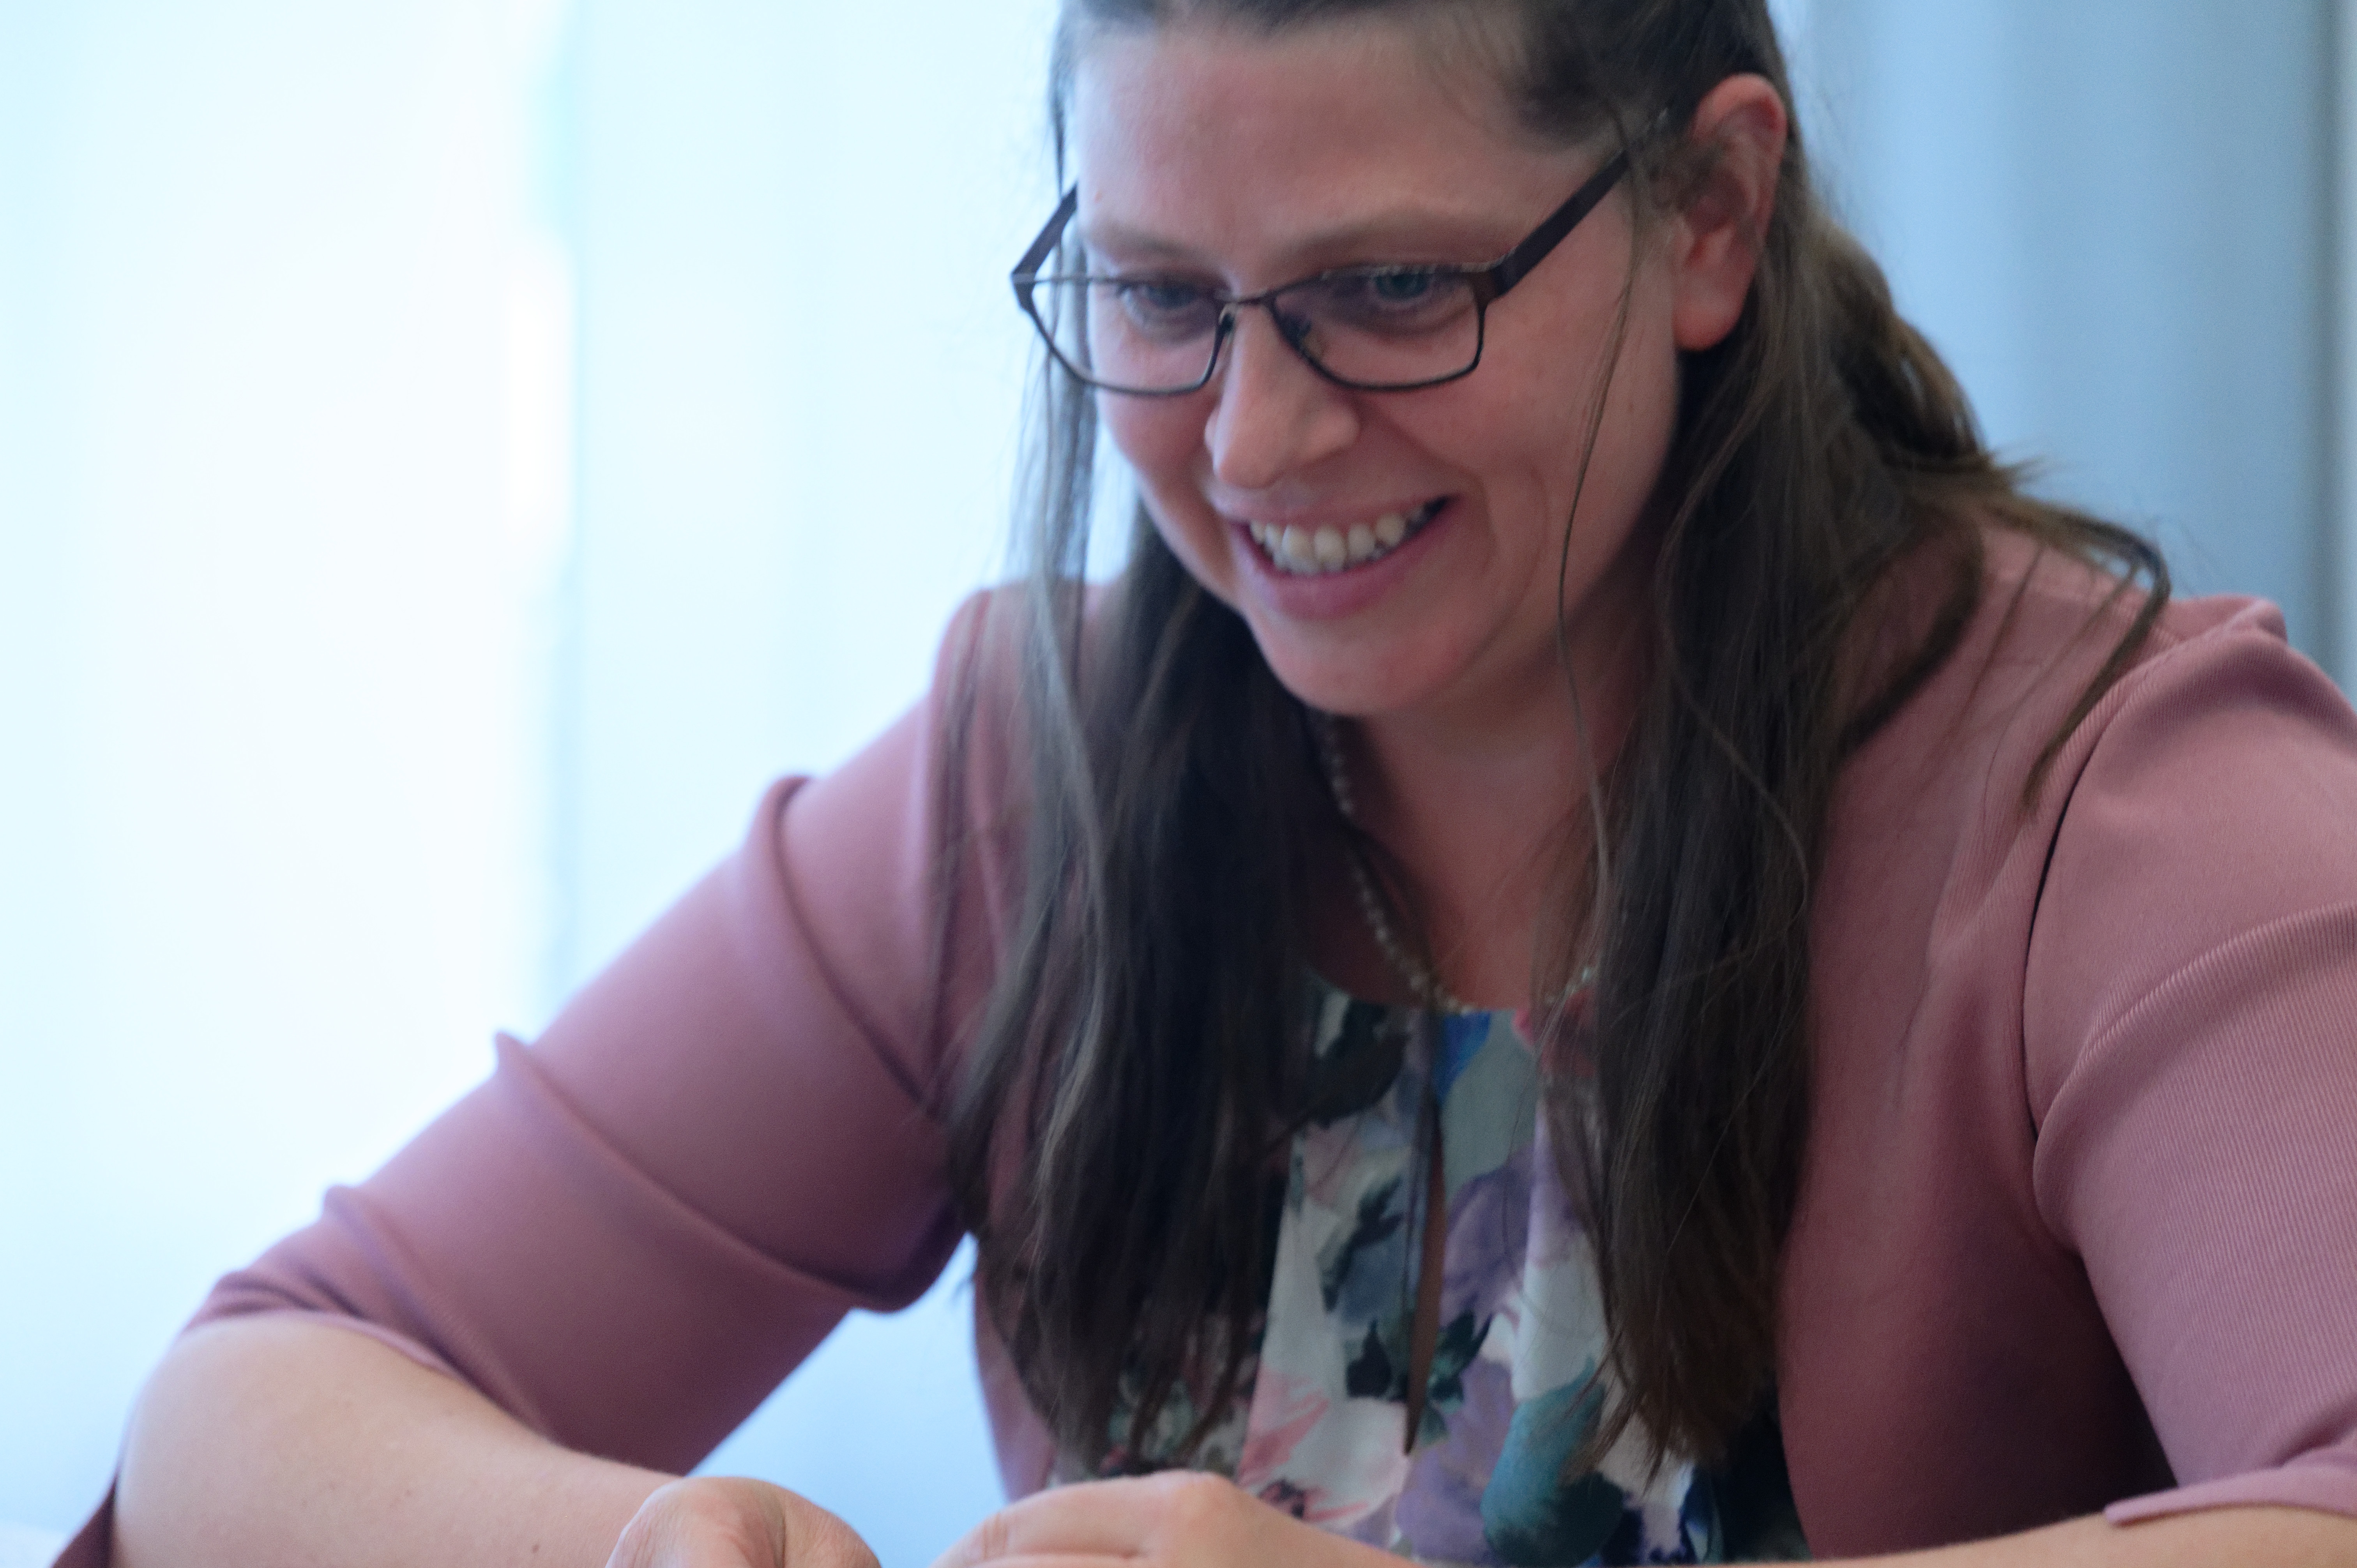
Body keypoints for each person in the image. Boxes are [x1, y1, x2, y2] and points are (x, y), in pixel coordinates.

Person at [72, 1, 2357, 1564]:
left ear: (1710, 217)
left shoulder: (2118, 791)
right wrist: (651, 1540)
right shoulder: (1024, 776)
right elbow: (252, 1405)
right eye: (1158, 297)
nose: (1255, 444)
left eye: (1393, 289)